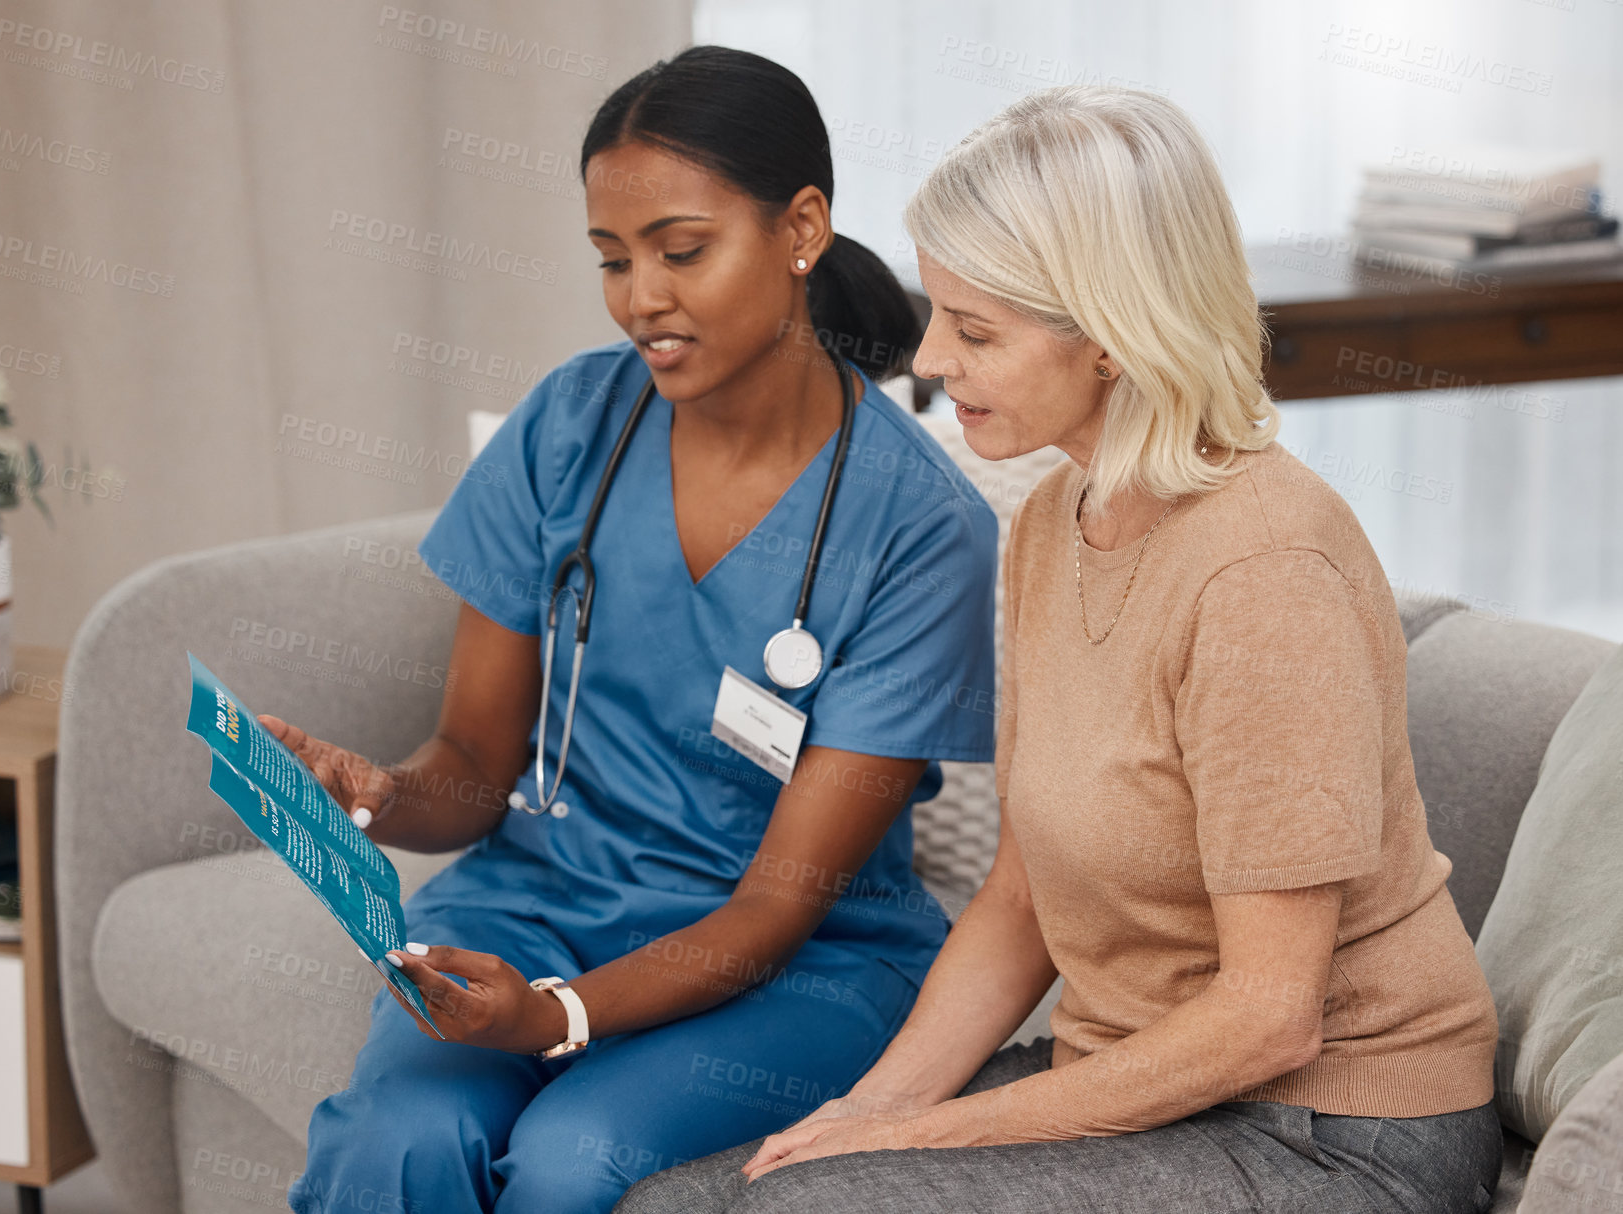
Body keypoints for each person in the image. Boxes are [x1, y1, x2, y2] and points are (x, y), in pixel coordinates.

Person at [616, 84, 1504, 1214]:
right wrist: (869, 1111)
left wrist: (925, 1137)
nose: (930, 359)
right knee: (675, 1203)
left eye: (975, 329)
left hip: (1335, 1128)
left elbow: (1268, 1014)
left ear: (1112, 336)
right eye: (937, 313)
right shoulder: (1050, 519)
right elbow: (1017, 901)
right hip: (1141, 1080)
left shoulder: (1260, 570)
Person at [265, 46, 997, 1214]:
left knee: (573, 1161)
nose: (638, 297)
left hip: (795, 963)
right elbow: (470, 768)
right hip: (539, 903)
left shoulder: (917, 528)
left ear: (800, 227)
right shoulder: (568, 426)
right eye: (612, 259)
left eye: (681, 250)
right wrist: (370, 795)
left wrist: (556, 1013)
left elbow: (774, 904)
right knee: (395, 1138)